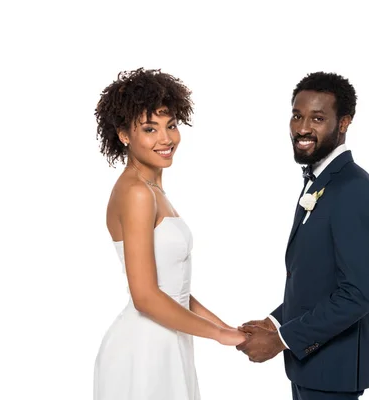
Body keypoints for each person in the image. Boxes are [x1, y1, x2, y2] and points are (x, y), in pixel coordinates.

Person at [93, 68, 246, 400]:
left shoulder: (153, 189)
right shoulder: (135, 193)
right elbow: (146, 297)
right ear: (123, 135)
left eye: (171, 125)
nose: (166, 139)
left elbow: (174, 289)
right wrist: (217, 334)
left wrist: (227, 328)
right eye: (150, 129)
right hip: (144, 349)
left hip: (171, 340)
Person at [237, 72, 369, 400]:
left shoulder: (352, 189)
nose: (303, 128)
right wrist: (276, 322)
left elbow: (357, 294)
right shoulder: (321, 182)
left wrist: (282, 340)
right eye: (297, 116)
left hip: (334, 373)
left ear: (344, 122)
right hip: (311, 369)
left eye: (317, 118)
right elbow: (318, 280)